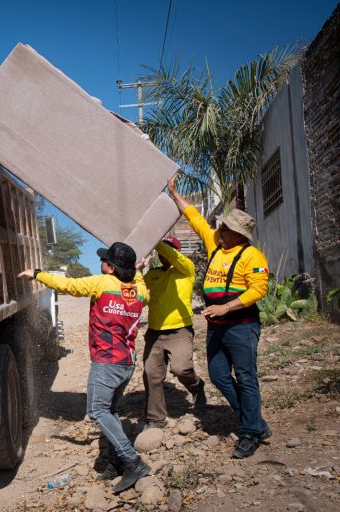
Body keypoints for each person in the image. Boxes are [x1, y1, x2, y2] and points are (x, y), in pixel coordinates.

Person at [18, 242, 151, 492]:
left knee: (98, 411)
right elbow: (141, 285)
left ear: (110, 267)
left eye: (104, 260)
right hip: (127, 363)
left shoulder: (102, 283)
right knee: (110, 410)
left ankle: (132, 460)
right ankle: (116, 462)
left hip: (106, 361)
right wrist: (140, 270)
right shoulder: (139, 291)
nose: (100, 264)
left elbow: (69, 286)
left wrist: (36, 274)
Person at [166, 174, 270, 458]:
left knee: (246, 377)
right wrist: (174, 193)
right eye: (222, 225)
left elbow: (259, 289)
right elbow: (195, 217)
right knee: (219, 375)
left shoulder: (253, 257)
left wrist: (225, 308)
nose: (219, 228)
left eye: (225, 227)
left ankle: (249, 432)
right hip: (217, 328)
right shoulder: (215, 244)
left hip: (241, 326)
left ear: (239, 234)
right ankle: (256, 422)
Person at [140, 236, 206, 430]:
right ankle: (156, 420)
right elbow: (141, 296)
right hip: (154, 332)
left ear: (177, 253)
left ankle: (196, 387)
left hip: (179, 330)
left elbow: (171, 254)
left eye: (167, 251)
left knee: (181, 369)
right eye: (160, 252)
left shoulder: (186, 270)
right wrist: (136, 272)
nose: (163, 255)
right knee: (151, 374)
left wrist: (154, 239)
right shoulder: (152, 275)